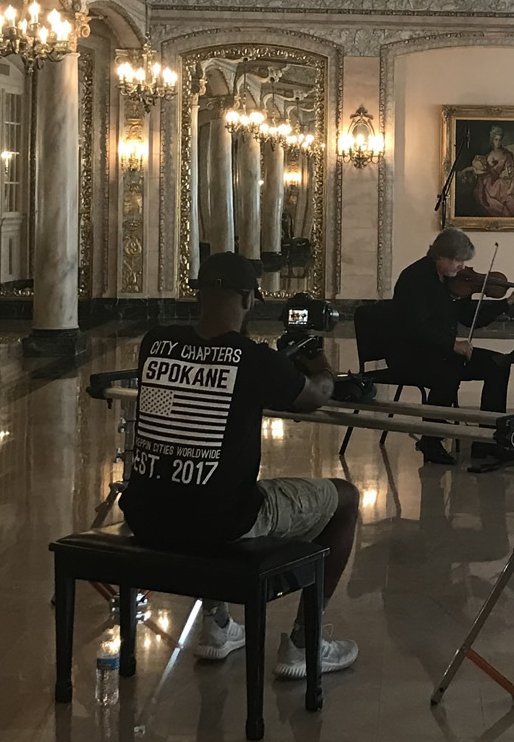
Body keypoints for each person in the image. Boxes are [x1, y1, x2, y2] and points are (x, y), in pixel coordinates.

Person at [120, 252, 360, 678]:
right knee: (345, 498)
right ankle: (304, 644)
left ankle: (217, 625)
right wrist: (321, 368)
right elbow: (313, 395)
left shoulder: (154, 342)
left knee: (204, 487)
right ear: (248, 299)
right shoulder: (253, 359)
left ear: (198, 294)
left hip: (146, 513)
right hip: (223, 523)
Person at [390, 227, 514, 464]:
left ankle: (488, 439)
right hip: (411, 354)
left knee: (498, 364)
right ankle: (431, 440)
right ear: (440, 256)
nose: (462, 267)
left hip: (441, 351)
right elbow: (415, 327)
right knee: (447, 371)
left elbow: (470, 317)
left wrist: (508, 302)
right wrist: (452, 344)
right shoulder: (415, 278)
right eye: (458, 261)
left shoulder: (454, 282)